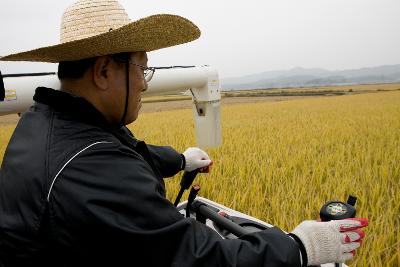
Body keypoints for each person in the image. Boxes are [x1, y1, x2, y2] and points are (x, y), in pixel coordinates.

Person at [0, 1, 368, 266]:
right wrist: (299, 248)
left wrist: (179, 160)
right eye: (141, 70)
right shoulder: (90, 168)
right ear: (103, 72)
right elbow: (196, 257)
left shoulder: (45, 122)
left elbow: (124, 152)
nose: (144, 85)